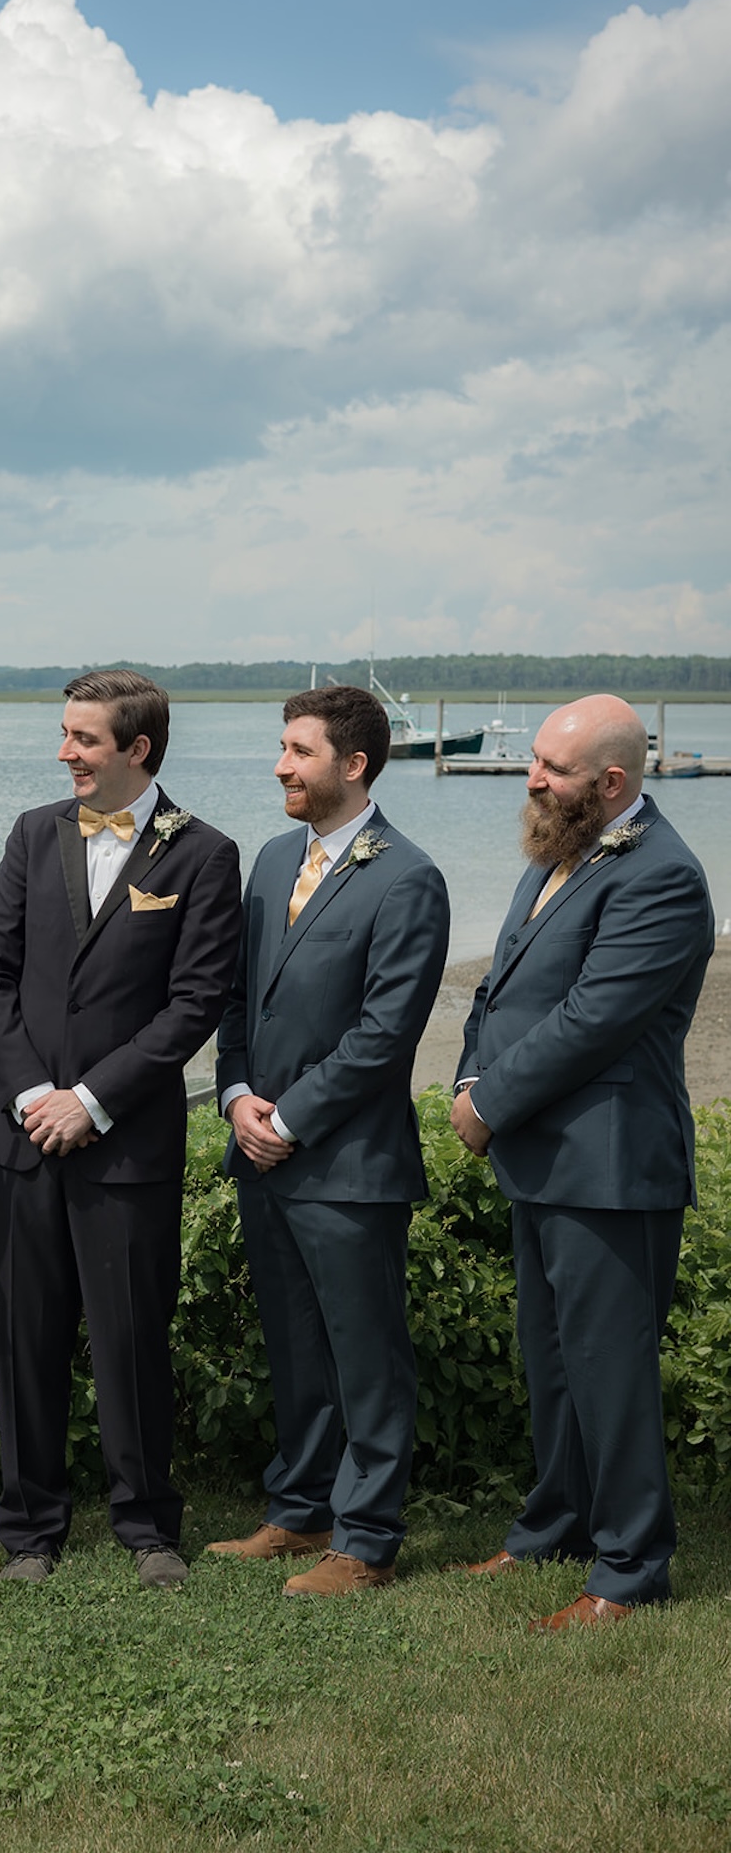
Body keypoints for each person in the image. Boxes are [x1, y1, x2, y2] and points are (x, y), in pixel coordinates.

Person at [0, 669, 241, 1588]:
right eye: (65, 735)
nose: (64, 752)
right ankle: (30, 1529)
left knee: (131, 1338)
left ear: (138, 749)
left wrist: (89, 1101)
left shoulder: (204, 853)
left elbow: (195, 1002)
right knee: (24, 1337)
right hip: (20, 1136)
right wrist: (32, 1096)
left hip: (125, 1143)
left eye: (83, 738)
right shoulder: (30, 833)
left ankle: (147, 1524)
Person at [451, 695, 713, 1629]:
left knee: (610, 1369)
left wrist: (485, 1103)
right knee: (553, 1363)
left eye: (553, 770)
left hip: (610, 1167)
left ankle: (632, 1566)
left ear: (611, 781)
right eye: (534, 761)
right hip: (545, 1160)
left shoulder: (663, 877)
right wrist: (468, 1069)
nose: (532, 779)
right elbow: (502, 983)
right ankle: (553, 1526)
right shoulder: (561, 847)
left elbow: (589, 1023)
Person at [209, 686, 449, 1596]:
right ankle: (300, 1510)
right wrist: (236, 1097)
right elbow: (238, 1001)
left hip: (348, 1167)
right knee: (296, 1347)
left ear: (352, 765)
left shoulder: (408, 877)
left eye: (299, 752)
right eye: (281, 747)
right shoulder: (273, 860)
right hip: (262, 1153)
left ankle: (367, 1540)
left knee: (366, 1356)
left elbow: (385, 1037)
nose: (280, 766)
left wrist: (291, 1120)